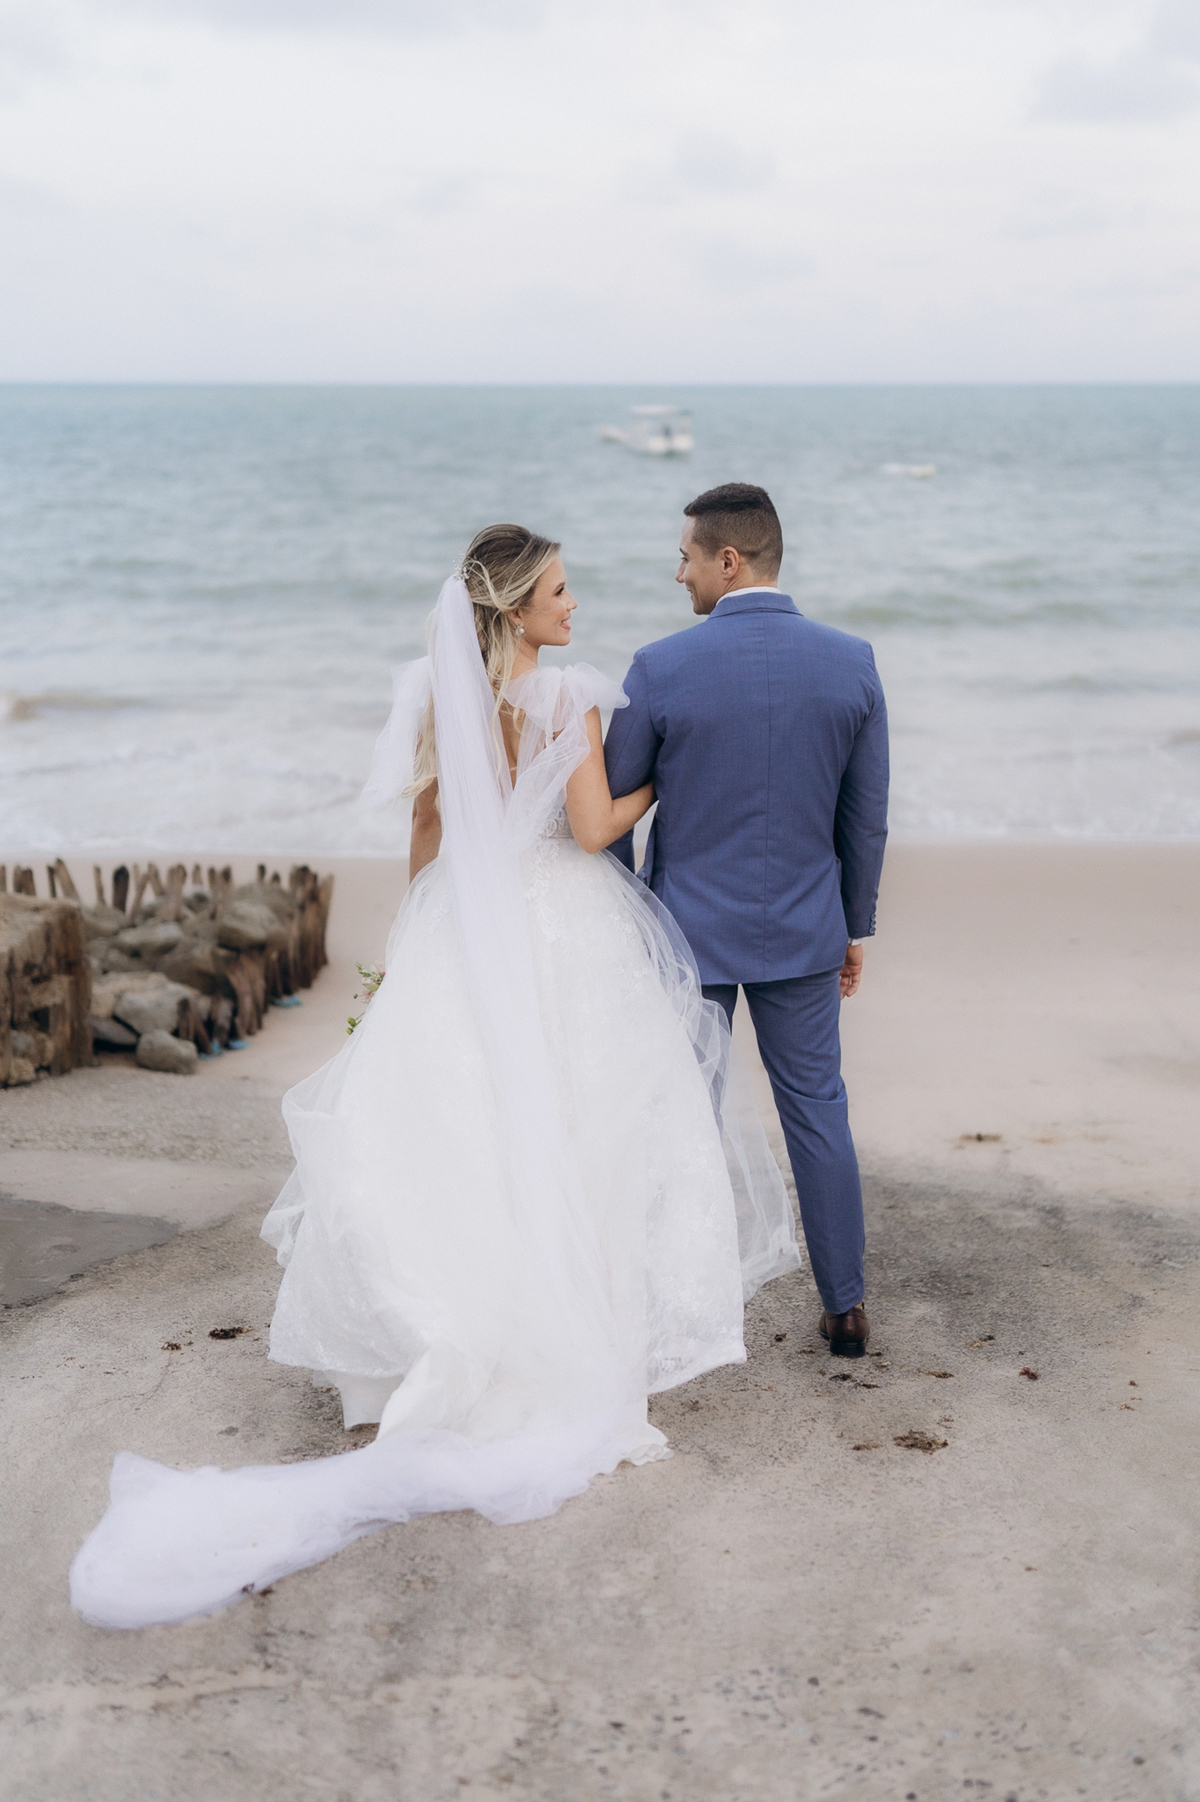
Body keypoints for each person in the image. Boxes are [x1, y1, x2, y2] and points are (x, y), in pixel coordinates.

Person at [70, 523, 798, 1630]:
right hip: (565, 924)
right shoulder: (569, 699)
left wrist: (424, 940)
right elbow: (597, 827)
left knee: (463, 1130)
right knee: (582, 1129)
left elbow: (427, 829)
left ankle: (454, 1333)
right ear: (518, 609)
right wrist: (680, 780)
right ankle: (570, 1331)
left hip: (467, 922)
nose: (574, 604)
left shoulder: (442, 698)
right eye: (559, 589)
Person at [604, 485, 889, 1358]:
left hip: (685, 935)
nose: (678, 571)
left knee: (683, 1115)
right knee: (819, 1112)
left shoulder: (659, 667)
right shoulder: (852, 661)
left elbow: (612, 811)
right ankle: (845, 1308)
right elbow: (863, 816)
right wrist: (852, 925)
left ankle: (672, 1307)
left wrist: (629, 920)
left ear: (730, 560)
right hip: (804, 931)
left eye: (687, 556)